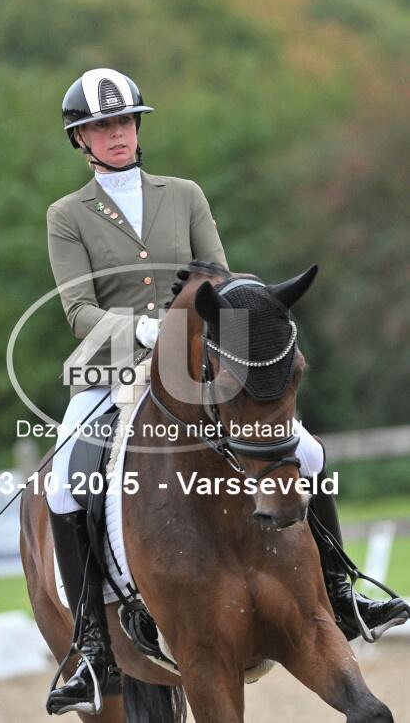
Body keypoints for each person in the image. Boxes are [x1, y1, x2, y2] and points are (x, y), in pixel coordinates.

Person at [44, 68, 405, 715]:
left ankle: (342, 590)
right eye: (102, 126)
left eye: (124, 121)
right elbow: (78, 312)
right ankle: (92, 646)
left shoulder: (183, 195)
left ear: (137, 127)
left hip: (196, 364)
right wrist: (146, 330)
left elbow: (219, 277)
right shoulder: (67, 216)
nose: (117, 134)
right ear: (81, 139)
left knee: (308, 451)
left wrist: (209, 334)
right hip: (113, 371)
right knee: (66, 481)